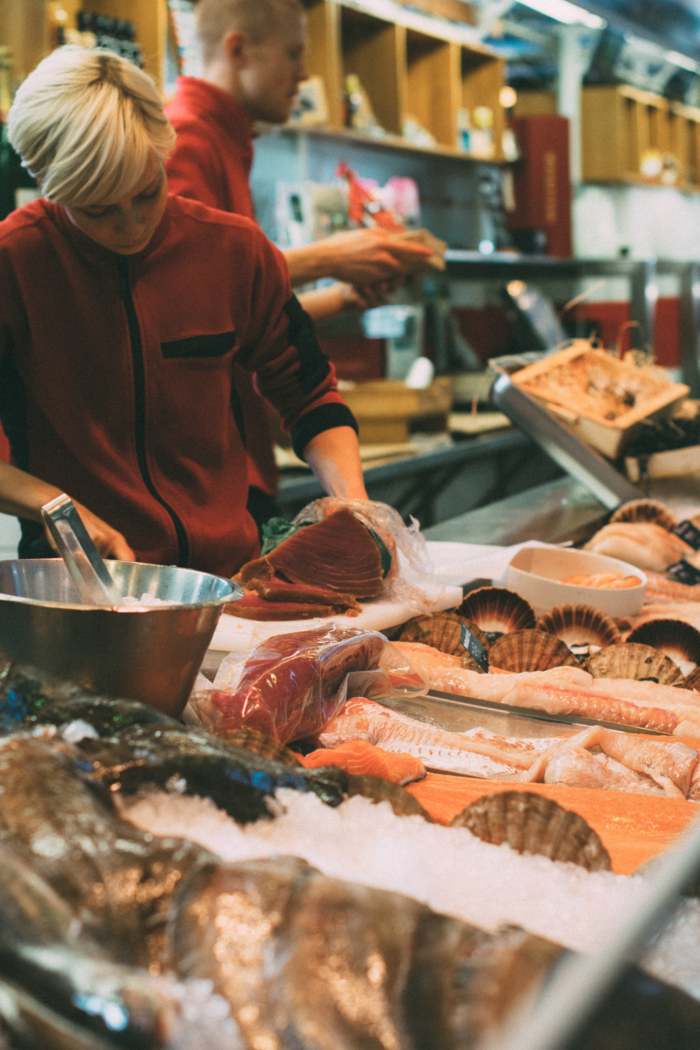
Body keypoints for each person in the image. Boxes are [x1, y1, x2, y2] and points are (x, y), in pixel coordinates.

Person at [0, 45, 367, 576]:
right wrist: (57, 507)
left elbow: (308, 390)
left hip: (226, 582)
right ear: (44, 179)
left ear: (163, 152)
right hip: (83, 585)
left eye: (148, 193)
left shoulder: (235, 251)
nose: (130, 226)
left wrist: (353, 505)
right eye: (98, 210)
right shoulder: (14, 262)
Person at [164, 0, 433, 523]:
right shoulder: (186, 138)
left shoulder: (226, 137)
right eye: (293, 53)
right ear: (238, 49)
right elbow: (188, 293)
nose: (306, 73)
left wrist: (341, 297)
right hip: (203, 484)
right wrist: (333, 255)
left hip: (233, 470)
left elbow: (237, 321)